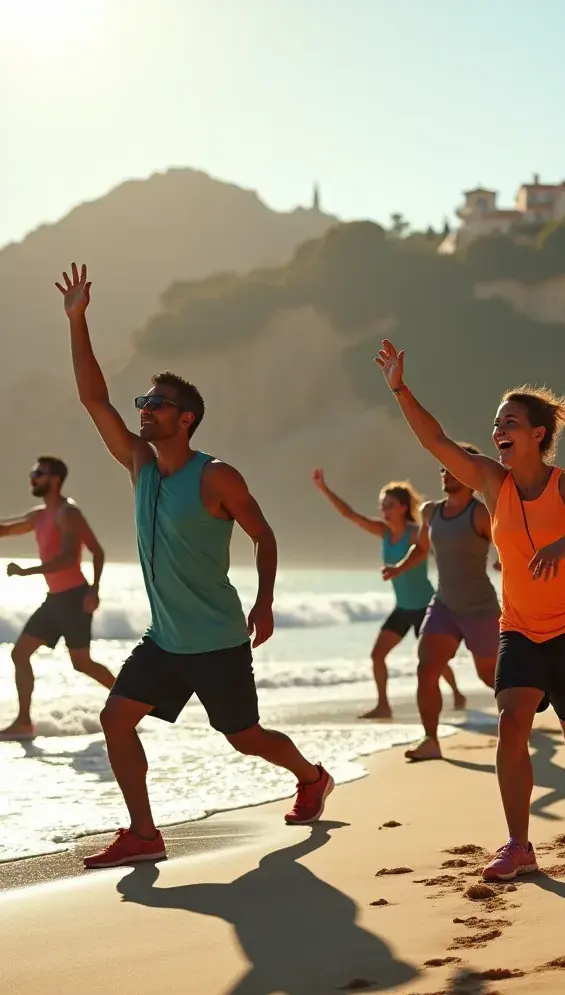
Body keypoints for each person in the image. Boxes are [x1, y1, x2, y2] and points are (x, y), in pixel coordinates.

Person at [58, 263, 333, 869]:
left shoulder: (217, 476)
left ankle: (312, 777)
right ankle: (144, 832)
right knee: (116, 718)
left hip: (216, 640)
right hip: (165, 638)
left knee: (244, 738)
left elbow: (263, 535)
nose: (145, 410)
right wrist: (78, 321)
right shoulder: (140, 464)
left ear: (186, 418)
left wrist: (264, 601)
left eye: (157, 404)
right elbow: (93, 399)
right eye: (144, 401)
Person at [375, 338, 565, 882]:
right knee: (511, 721)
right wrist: (400, 390)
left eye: (511, 422)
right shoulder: (492, 485)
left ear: (538, 434)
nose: (500, 429)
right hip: (519, 628)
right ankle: (520, 845)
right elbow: (436, 441)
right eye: (497, 422)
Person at [311, 470, 463, 719]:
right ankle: (383, 705)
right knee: (377, 655)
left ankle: (457, 693)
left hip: (425, 607)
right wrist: (324, 488)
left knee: (432, 659)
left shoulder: (415, 532)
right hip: (402, 608)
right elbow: (350, 515)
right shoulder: (383, 532)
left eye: (389, 505)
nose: (384, 510)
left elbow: (434, 551)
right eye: (382, 505)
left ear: (403, 507)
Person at [383, 446, 501, 762]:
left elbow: (505, 541)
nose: (446, 473)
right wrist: (398, 568)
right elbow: (422, 548)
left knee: (489, 676)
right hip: (444, 605)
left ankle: (520, 716)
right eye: (443, 468)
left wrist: (503, 560)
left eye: (453, 468)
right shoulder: (430, 512)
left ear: (470, 474)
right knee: (426, 668)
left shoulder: (480, 513)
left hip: (480, 608)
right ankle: (431, 740)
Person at [0, 456, 114, 739]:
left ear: (55, 479)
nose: (32, 478)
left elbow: (79, 555)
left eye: (38, 473)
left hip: (74, 598)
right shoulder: (39, 515)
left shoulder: (68, 513)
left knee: (82, 663)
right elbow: (6, 529)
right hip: (55, 600)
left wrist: (94, 589)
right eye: (33, 472)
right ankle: (24, 723)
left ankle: (134, 702)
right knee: (20, 654)